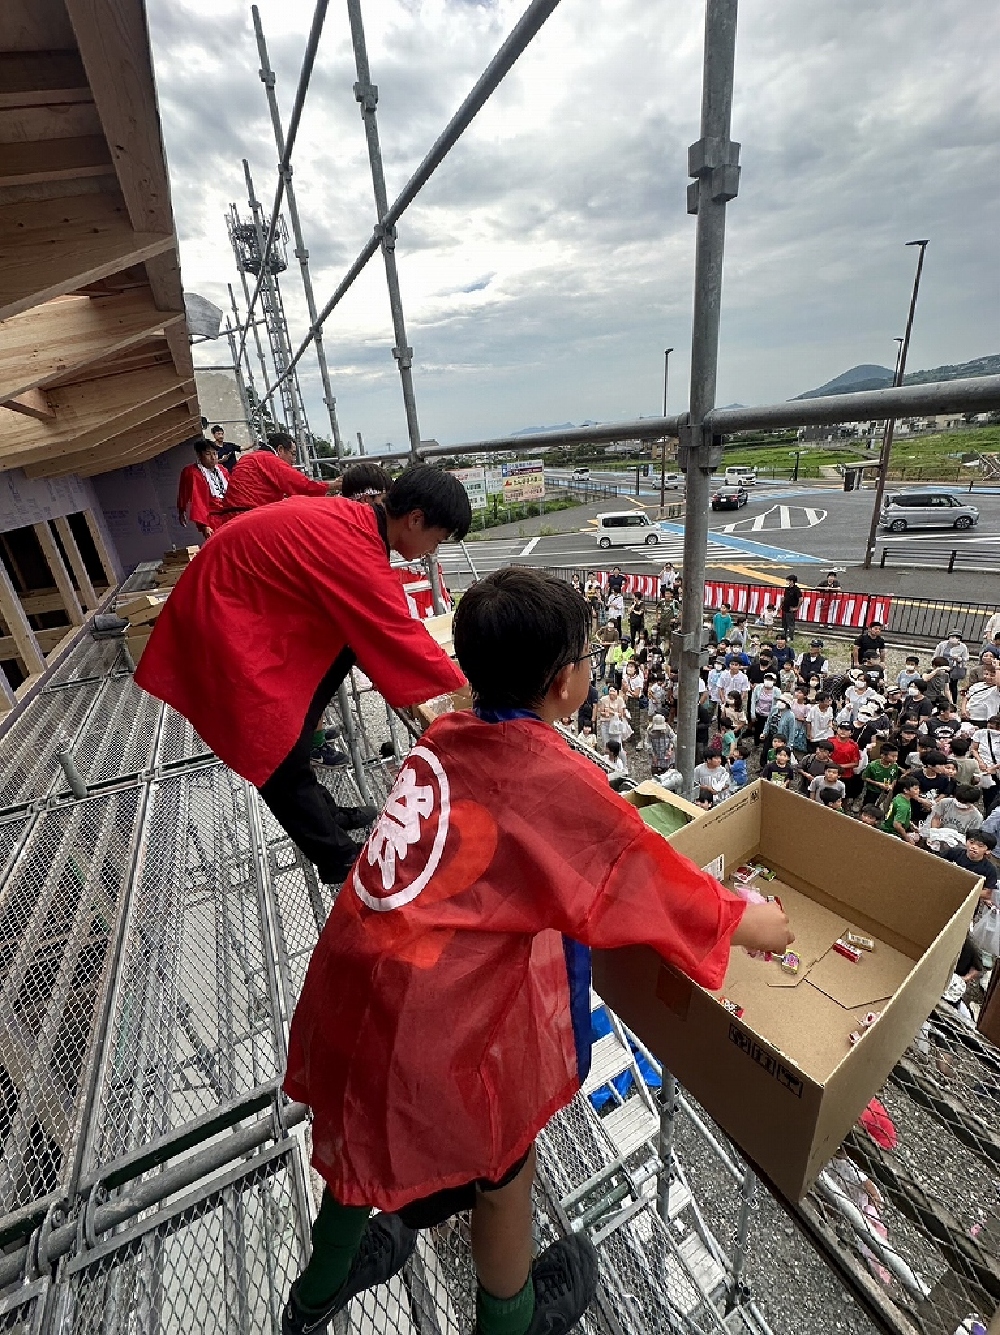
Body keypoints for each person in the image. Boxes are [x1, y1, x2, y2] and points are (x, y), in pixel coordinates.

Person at [279, 566, 792, 1335]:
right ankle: (510, 1318)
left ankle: (317, 1291)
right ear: (565, 682)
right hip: (434, 1031)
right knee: (504, 1168)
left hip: (354, 990)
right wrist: (758, 921)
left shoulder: (449, 731)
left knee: (353, 1135)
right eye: (587, 653)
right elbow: (652, 882)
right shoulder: (548, 775)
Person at [137, 465, 472, 887]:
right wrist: (469, 694)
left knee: (342, 655)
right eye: (436, 540)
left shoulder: (353, 521)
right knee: (275, 748)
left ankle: (328, 810)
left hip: (238, 604)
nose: (429, 551)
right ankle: (337, 858)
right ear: (416, 519)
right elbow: (398, 633)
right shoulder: (356, 549)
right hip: (221, 621)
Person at [210, 431, 338, 526]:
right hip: (250, 519)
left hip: (235, 518)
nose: (293, 461)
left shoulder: (251, 458)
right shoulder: (267, 459)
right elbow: (302, 485)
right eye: (292, 454)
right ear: (280, 450)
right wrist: (334, 485)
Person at [176, 437, 229, 538]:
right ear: (199, 455)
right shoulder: (192, 472)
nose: (213, 458)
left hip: (229, 514)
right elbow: (195, 497)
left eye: (215, 453)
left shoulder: (223, 470)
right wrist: (204, 525)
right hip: (212, 518)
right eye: (208, 454)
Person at [938, 830, 999, 902]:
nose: (974, 847)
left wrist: (963, 890)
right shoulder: (954, 852)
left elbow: (987, 893)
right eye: (971, 842)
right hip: (944, 890)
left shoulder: (990, 869)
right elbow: (938, 866)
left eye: (980, 846)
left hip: (967, 900)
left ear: (988, 850)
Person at [933, 631, 970, 705]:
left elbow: (966, 658)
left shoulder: (963, 647)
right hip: (942, 666)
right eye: (952, 637)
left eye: (956, 637)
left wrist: (959, 659)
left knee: (953, 685)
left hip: (954, 668)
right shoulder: (942, 645)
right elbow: (936, 655)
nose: (954, 639)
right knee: (939, 683)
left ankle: (953, 703)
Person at [882, 775, 922, 843]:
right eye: (915, 789)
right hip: (892, 833)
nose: (918, 791)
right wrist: (907, 838)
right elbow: (897, 825)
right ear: (906, 790)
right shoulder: (903, 806)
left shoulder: (899, 797)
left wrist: (910, 824)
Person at [862, 743, 901, 808]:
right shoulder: (872, 765)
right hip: (873, 791)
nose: (895, 759)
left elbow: (895, 777)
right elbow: (865, 777)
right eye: (893, 756)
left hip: (886, 793)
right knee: (868, 806)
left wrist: (892, 786)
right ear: (883, 755)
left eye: (896, 756)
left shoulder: (895, 766)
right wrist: (878, 784)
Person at [779, 574, 801, 641]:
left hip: (791, 609)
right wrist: (781, 606)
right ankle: (784, 636)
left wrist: (797, 607)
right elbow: (784, 598)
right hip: (785, 608)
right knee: (784, 624)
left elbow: (801, 599)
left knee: (791, 624)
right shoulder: (787, 589)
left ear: (792, 581)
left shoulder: (796, 589)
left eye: (788, 580)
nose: (787, 582)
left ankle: (790, 637)